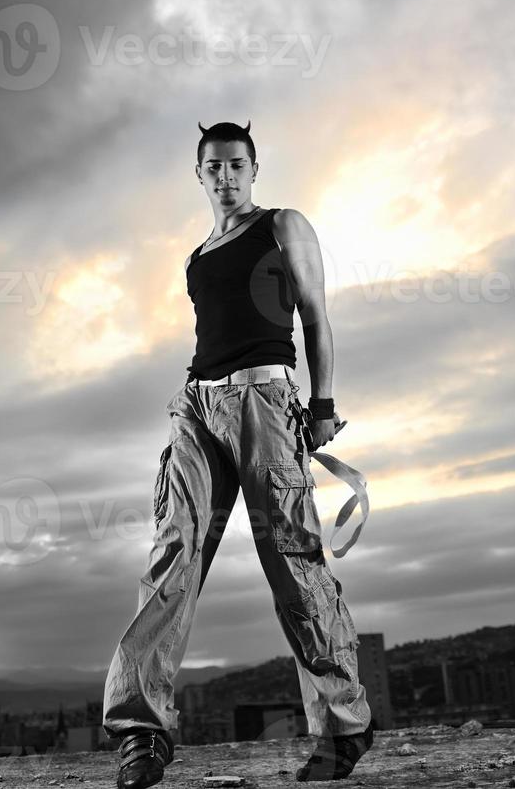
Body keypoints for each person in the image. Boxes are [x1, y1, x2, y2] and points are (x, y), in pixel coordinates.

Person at [102, 121, 374, 788]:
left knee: (292, 558)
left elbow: (313, 314)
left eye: (235, 165)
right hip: (196, 405)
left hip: (264, 400)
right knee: (172, 553)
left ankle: (343, 724)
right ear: (199, 176)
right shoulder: (196, 257)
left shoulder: (282, 225)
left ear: (253, 169)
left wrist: (323, 403)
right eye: (212, 168)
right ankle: (141, 730)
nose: (224, 176)